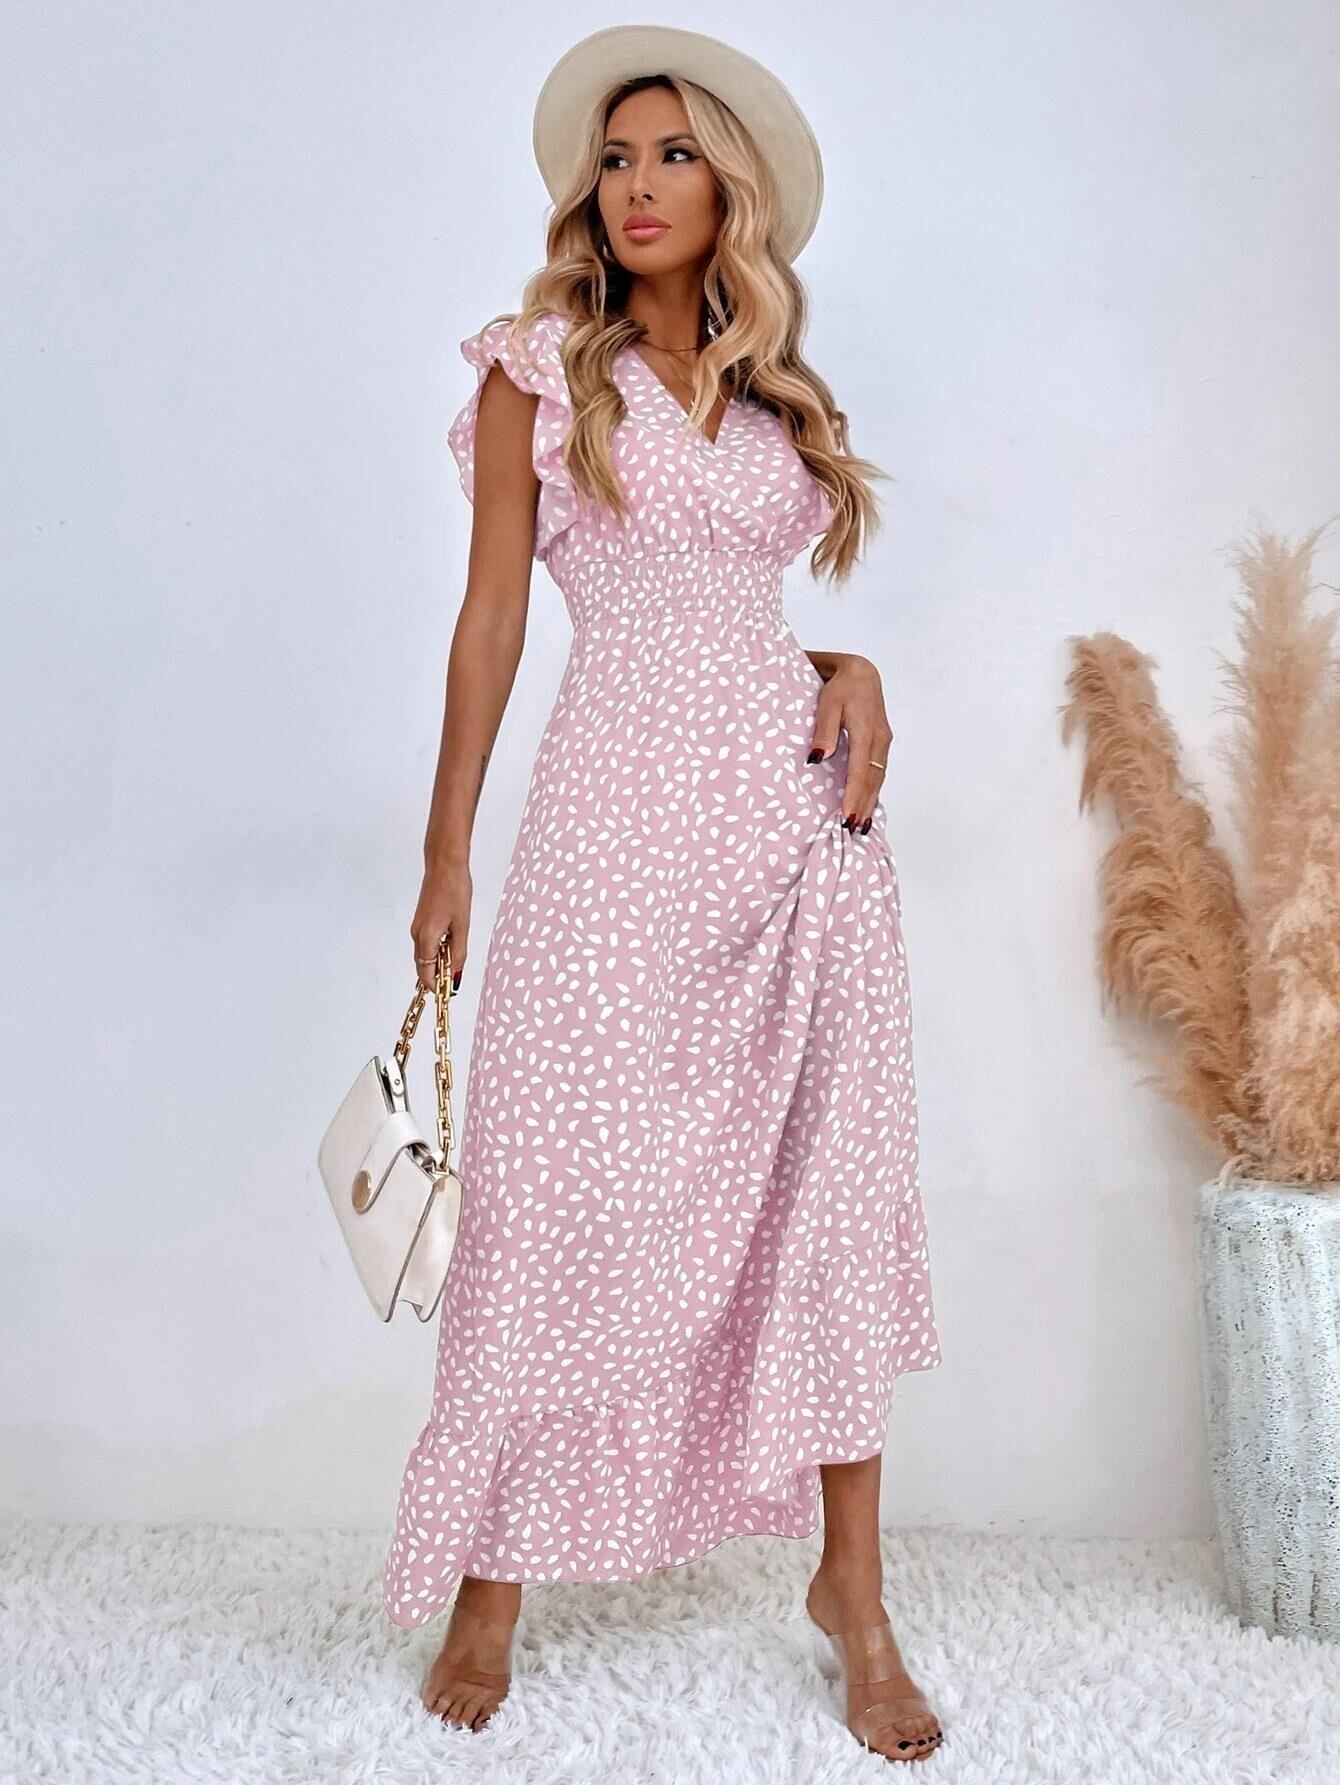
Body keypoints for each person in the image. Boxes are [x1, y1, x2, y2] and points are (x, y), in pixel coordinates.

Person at [383, 24, 944, 1764]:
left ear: (730, 193)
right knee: (548, 1198)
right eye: (615, 159)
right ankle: (492, 1580)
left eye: (673, 157)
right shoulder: (540, 371)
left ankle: (854, 1588)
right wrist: (446, 845)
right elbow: (495, 616)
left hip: (794, 839)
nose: (636, 186)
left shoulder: (777, 401)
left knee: (819, 1195)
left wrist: (847, 665)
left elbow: (740, 621)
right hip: (607, 834)